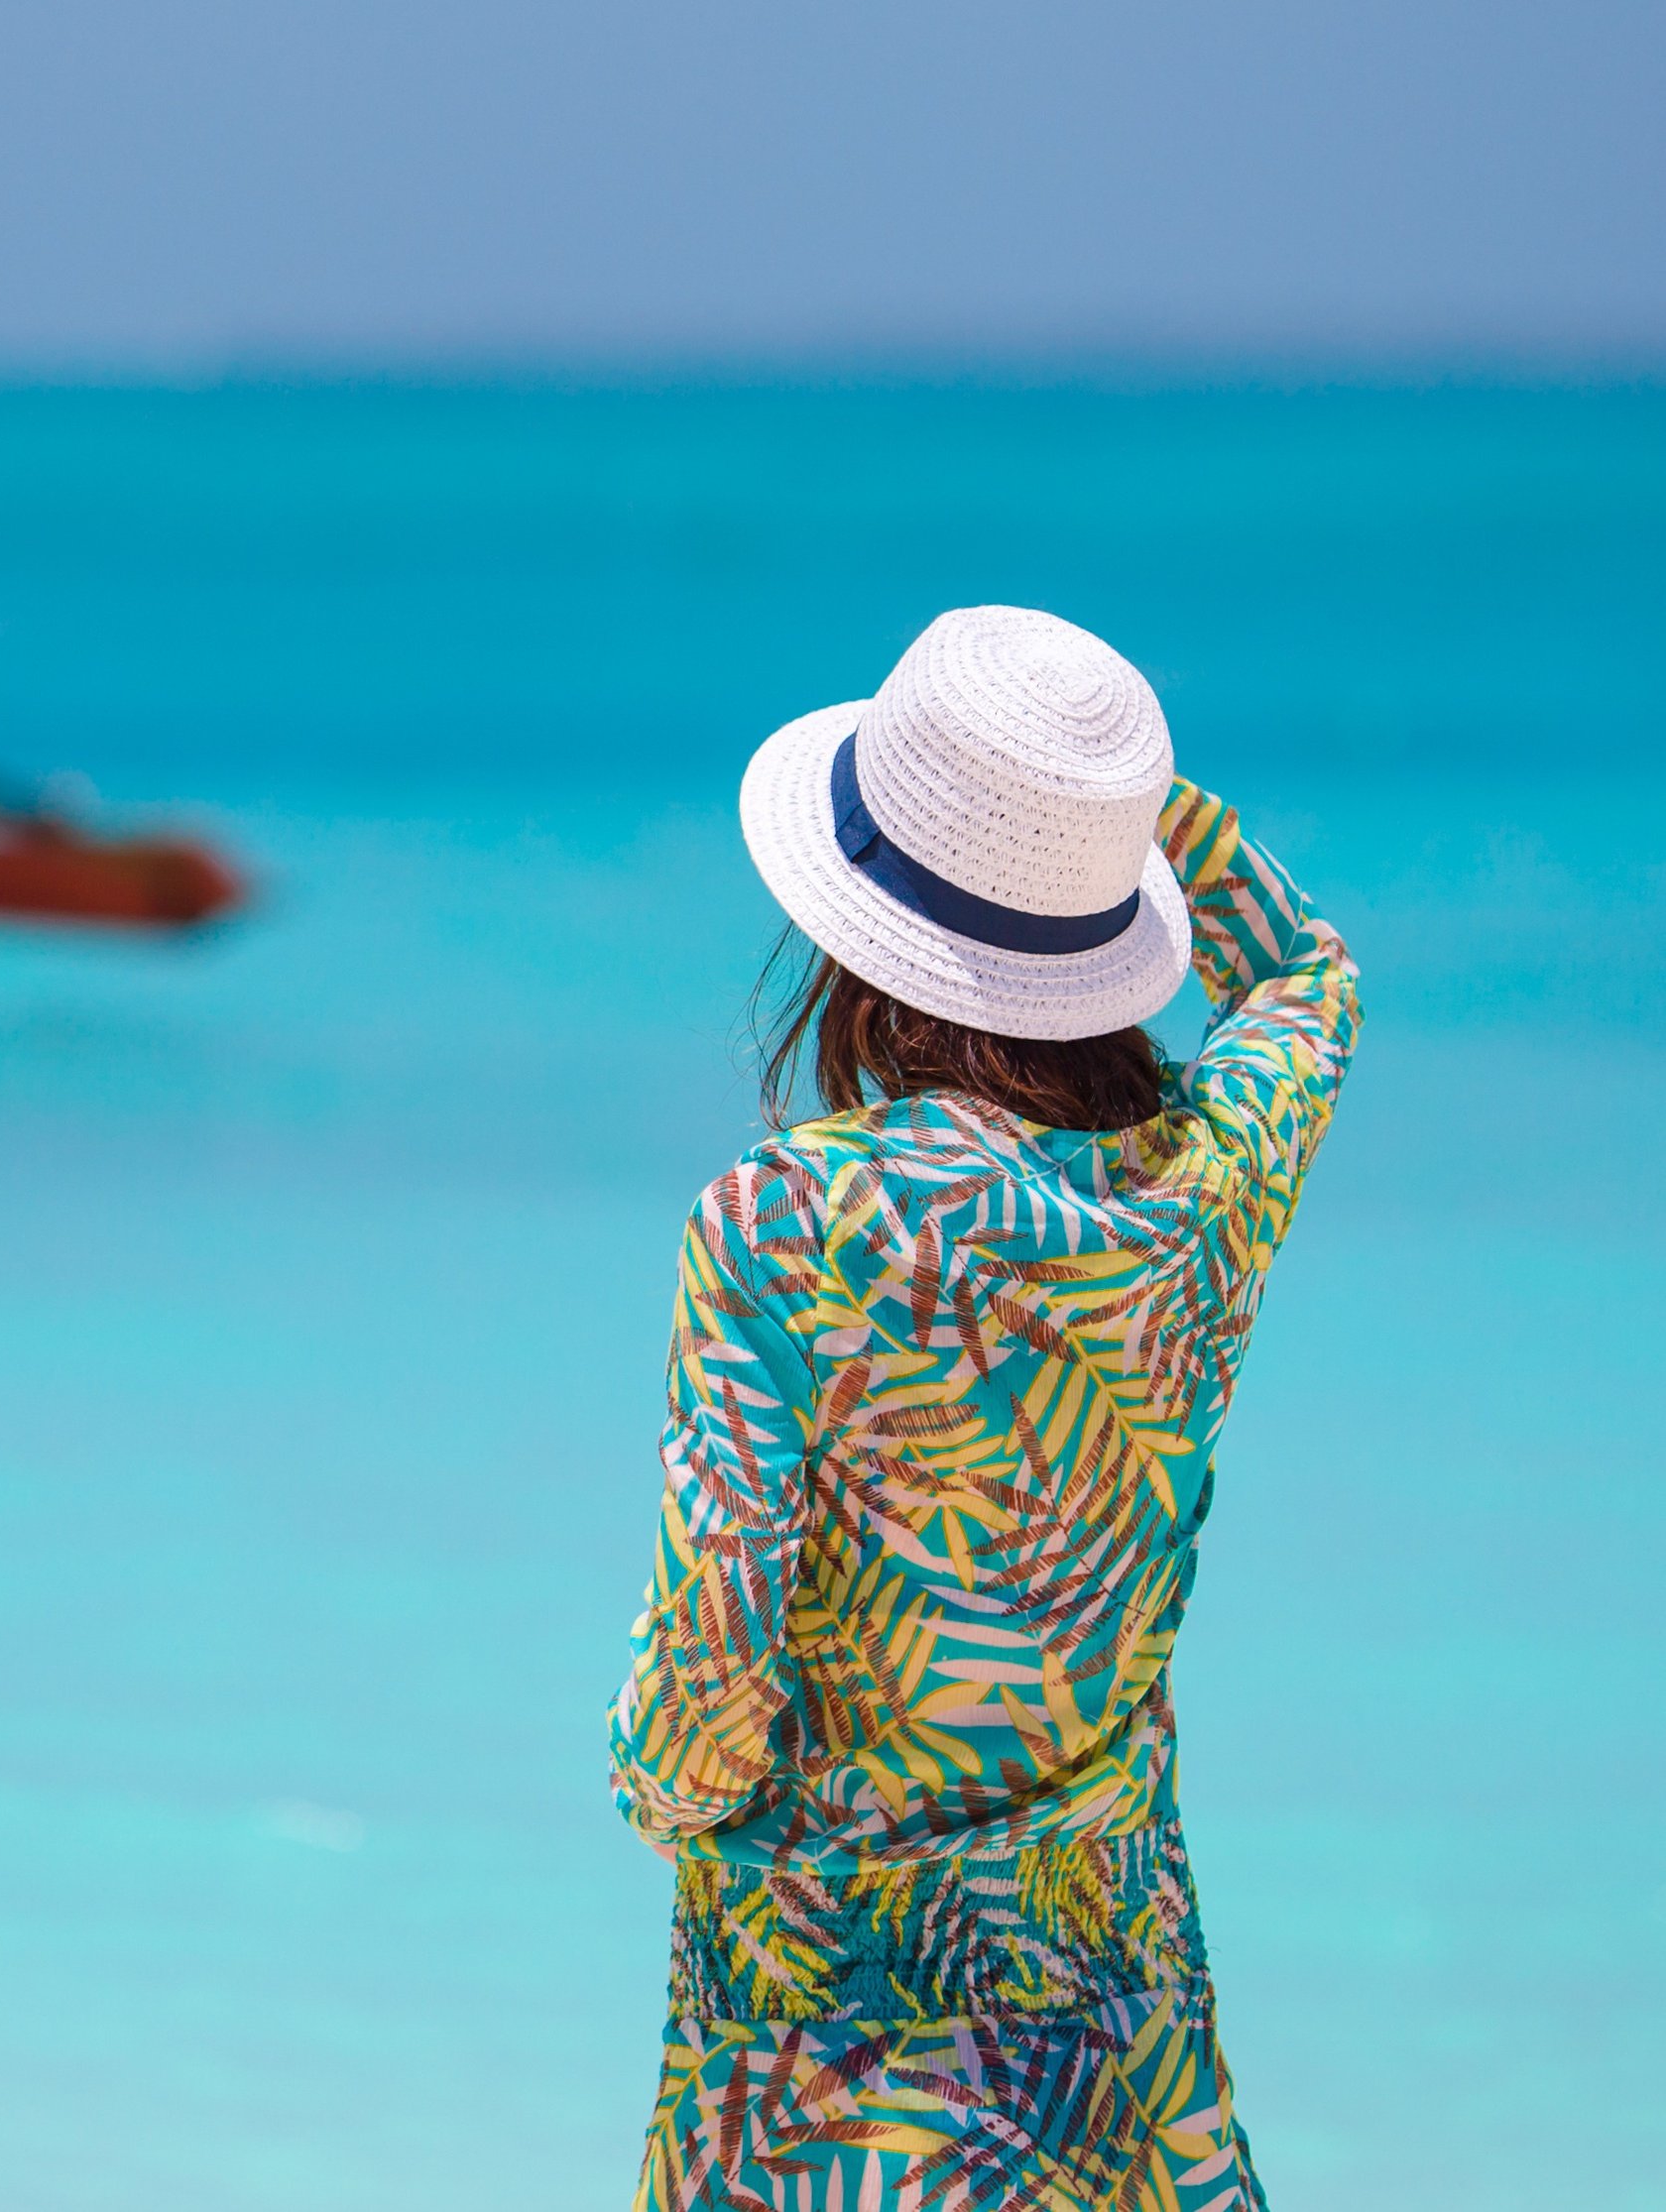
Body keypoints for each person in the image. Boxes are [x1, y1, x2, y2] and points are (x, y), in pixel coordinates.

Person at [611, 606, 1357, 2212]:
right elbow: (1303, 976)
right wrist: (1105, 804)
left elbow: (705, 1678)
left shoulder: (783, 1222)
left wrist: (660, 1797)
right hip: (1116, 2016)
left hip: (823, 2030)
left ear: (851, 930)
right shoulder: (1202, 1181)